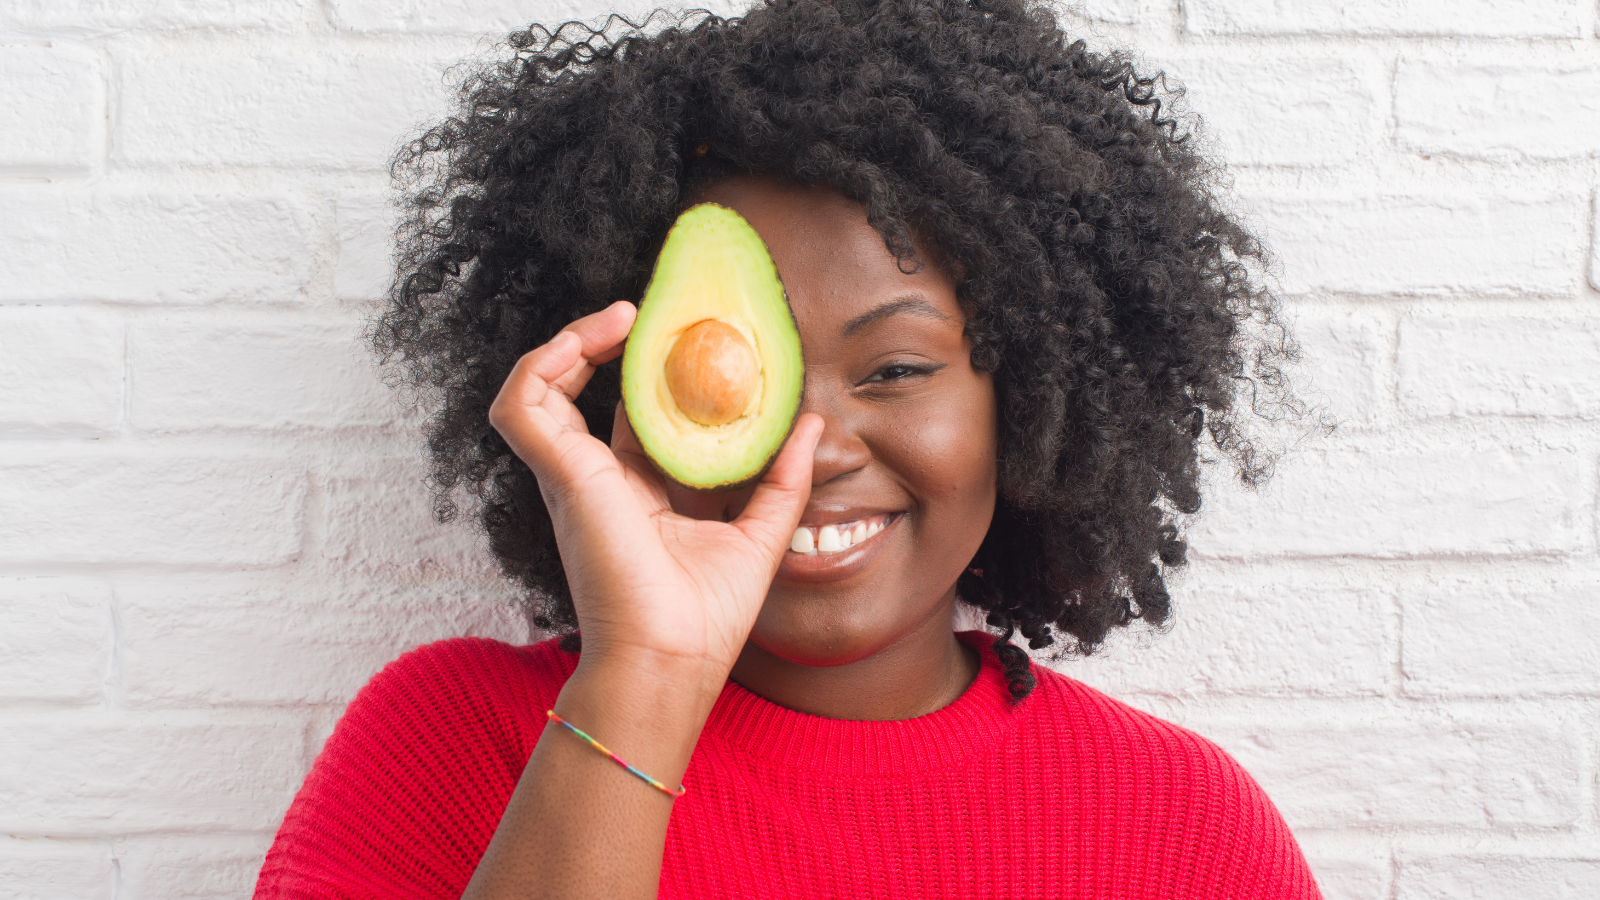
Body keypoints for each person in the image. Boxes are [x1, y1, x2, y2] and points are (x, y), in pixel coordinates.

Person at [254, 0, 1317, 896]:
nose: (805, 452)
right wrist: (646, 676)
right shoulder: (442, 746)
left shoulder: (1183, 825)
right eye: (722, 375)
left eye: (896, 369)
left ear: (1033, 398)